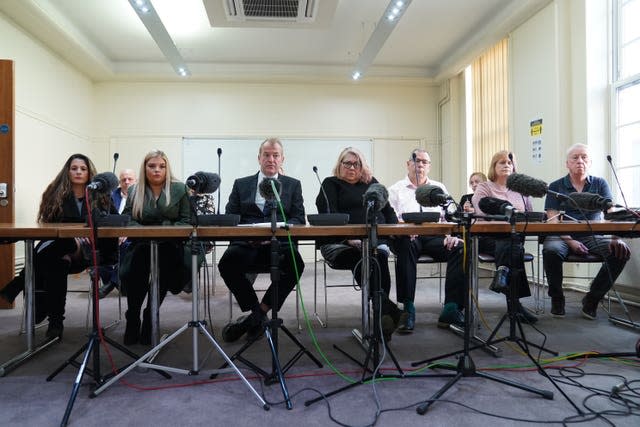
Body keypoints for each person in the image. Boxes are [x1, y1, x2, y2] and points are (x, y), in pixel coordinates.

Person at [0, 154, 117, 339]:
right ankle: (56, 324)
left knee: (61, 245)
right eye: (74, 168)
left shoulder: (101, 195)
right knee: (58, 259)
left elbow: (113, 223)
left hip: (88, 251)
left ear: (89, 173)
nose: (78, 171)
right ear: (67, 171)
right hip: (58, 251)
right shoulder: (54, 192)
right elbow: (48, 226)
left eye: (83, 168)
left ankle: (19, 283)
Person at [219, 138, 305, 343]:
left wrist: (278, 232)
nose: (271, 159)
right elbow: (231, 216)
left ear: (282, 159)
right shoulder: (241, 184)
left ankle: (257, 315)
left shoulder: (293, 185)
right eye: (266, 154)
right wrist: (248, 235)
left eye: (275, 155)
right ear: (259, 158)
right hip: (246, 244)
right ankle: (256, 312)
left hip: (279, 244)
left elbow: (298, 218)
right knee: (226, 264)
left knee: (297, 264)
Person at [315, 147, 402, 341]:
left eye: (356, 163)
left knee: (377, 256)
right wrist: (348, 239)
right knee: (363, 258)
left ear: (362, 166)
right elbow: (329, 216)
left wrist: (391, 232)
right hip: (340, 244)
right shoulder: (330, 184)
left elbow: (388, 212)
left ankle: (381, 317)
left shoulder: (372, 184)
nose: (352, 167)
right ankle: (385, 311)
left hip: (373, 241)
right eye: (347, 163)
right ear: (340, 165)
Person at [543, 143, 630, 319]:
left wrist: (616, 237)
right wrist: (571, 241)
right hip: (561, 236)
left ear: (590, 162)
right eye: (575, 157)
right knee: (551, 250)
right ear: (567, 163)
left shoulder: (600, 184)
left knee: (621, 252)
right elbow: (553, 221)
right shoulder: (555, 186)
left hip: (593, 235)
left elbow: (611, 215)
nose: (580, 161)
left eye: (584, 157)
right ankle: (557, 298)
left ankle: (592, 298)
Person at [388, 149, 466, 332]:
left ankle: (451, 308)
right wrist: (404, 230)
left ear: (429, 166)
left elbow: (449, 216)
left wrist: (450, 236)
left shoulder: (439, 188)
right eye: (416, 160)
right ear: (408, 164)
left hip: (436, 237)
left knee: (460, 247)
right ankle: (408, 308)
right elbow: (390, 219)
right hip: (408, 237)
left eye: (424, 162)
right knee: (405, 246)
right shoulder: (395, 189)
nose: (420, 164)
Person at [120, 150, 192, 345]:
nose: (157, 170)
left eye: (161, 166)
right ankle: (133, 316)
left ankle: (151, 316)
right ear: (145, 168)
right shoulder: (135, 190)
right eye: (152, 166)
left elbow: (187, 221)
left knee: (164, 265)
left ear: (167, 168)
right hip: (141, 243)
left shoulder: (180, 188)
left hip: (171, 244)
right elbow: (127, 219)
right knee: (137, 268)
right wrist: (144, 231)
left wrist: (163, 230)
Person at [473, 150, 538, 324]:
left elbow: (529, 216)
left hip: (514, 237)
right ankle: (515, 306)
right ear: (494, 166)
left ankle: (502, 274)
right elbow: (481, 214)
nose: (506, 165)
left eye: (510, 162)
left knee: (512, 246)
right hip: (489, 237)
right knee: (512, 248)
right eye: (501, 162)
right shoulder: (484, 187)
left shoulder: (522, 191)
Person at [98, 168, 137, 298]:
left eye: (130, 179)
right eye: (123, 179)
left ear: (135, 181)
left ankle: (112, 283)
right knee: (101, 249)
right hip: (112, 234)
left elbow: (140, 219)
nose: (126, 182)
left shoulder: (140, 196)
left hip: (132, 235)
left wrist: (126, 233)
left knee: (127, 247)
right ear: (119, 182)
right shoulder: (111, 195)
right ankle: (120, 283)